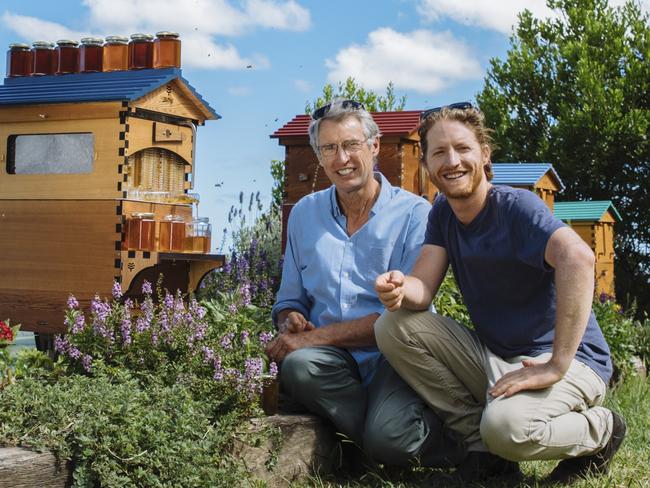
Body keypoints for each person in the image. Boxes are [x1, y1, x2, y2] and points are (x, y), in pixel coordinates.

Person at [374, 102, 626, 483]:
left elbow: (579, 258)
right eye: (439, 152)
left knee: (507, 429)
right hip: (501, 358)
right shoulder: (442, 213)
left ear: (485, 154)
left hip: (573, 361)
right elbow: (422, 290)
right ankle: (484, 452)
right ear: (426, 164)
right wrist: (398, 286)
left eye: (462, 148)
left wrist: (555, 365)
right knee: (392, 326)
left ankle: (602, 430)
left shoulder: (516, 207)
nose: (452, 161)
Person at [266, 99, 464, 468]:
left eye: (351, 145)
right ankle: (379, 441)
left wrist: (311, 338)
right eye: (329, 148)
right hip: (333, 364)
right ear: (319, 157)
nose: (341, 159)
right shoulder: (305, 214)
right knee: (299, 366)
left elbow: (400, 320)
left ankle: (438, 446)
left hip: (396, 356)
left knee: (389, 439)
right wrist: (290, 319)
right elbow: (289, 297)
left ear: (374, 147)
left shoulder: (415, 214)